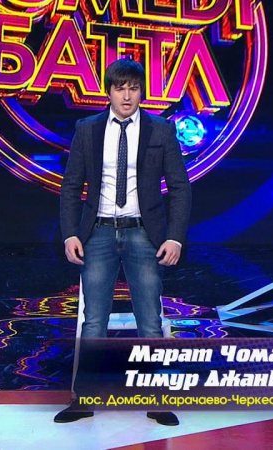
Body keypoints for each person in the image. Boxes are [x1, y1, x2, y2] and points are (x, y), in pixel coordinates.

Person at [55, 58, 192, 425]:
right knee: (93, 321)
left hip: (144, 234)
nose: (127, 96)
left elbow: (180, 188)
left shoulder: (161, 130)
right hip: (98, 232)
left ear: (142, 91)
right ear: (109, 91)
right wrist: (70, 232)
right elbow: (71, 186)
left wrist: (175, 237)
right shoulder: (87, 129)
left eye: (133, 88)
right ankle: (84, 398)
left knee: (150, 320)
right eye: (120, 88)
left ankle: (157, 399)